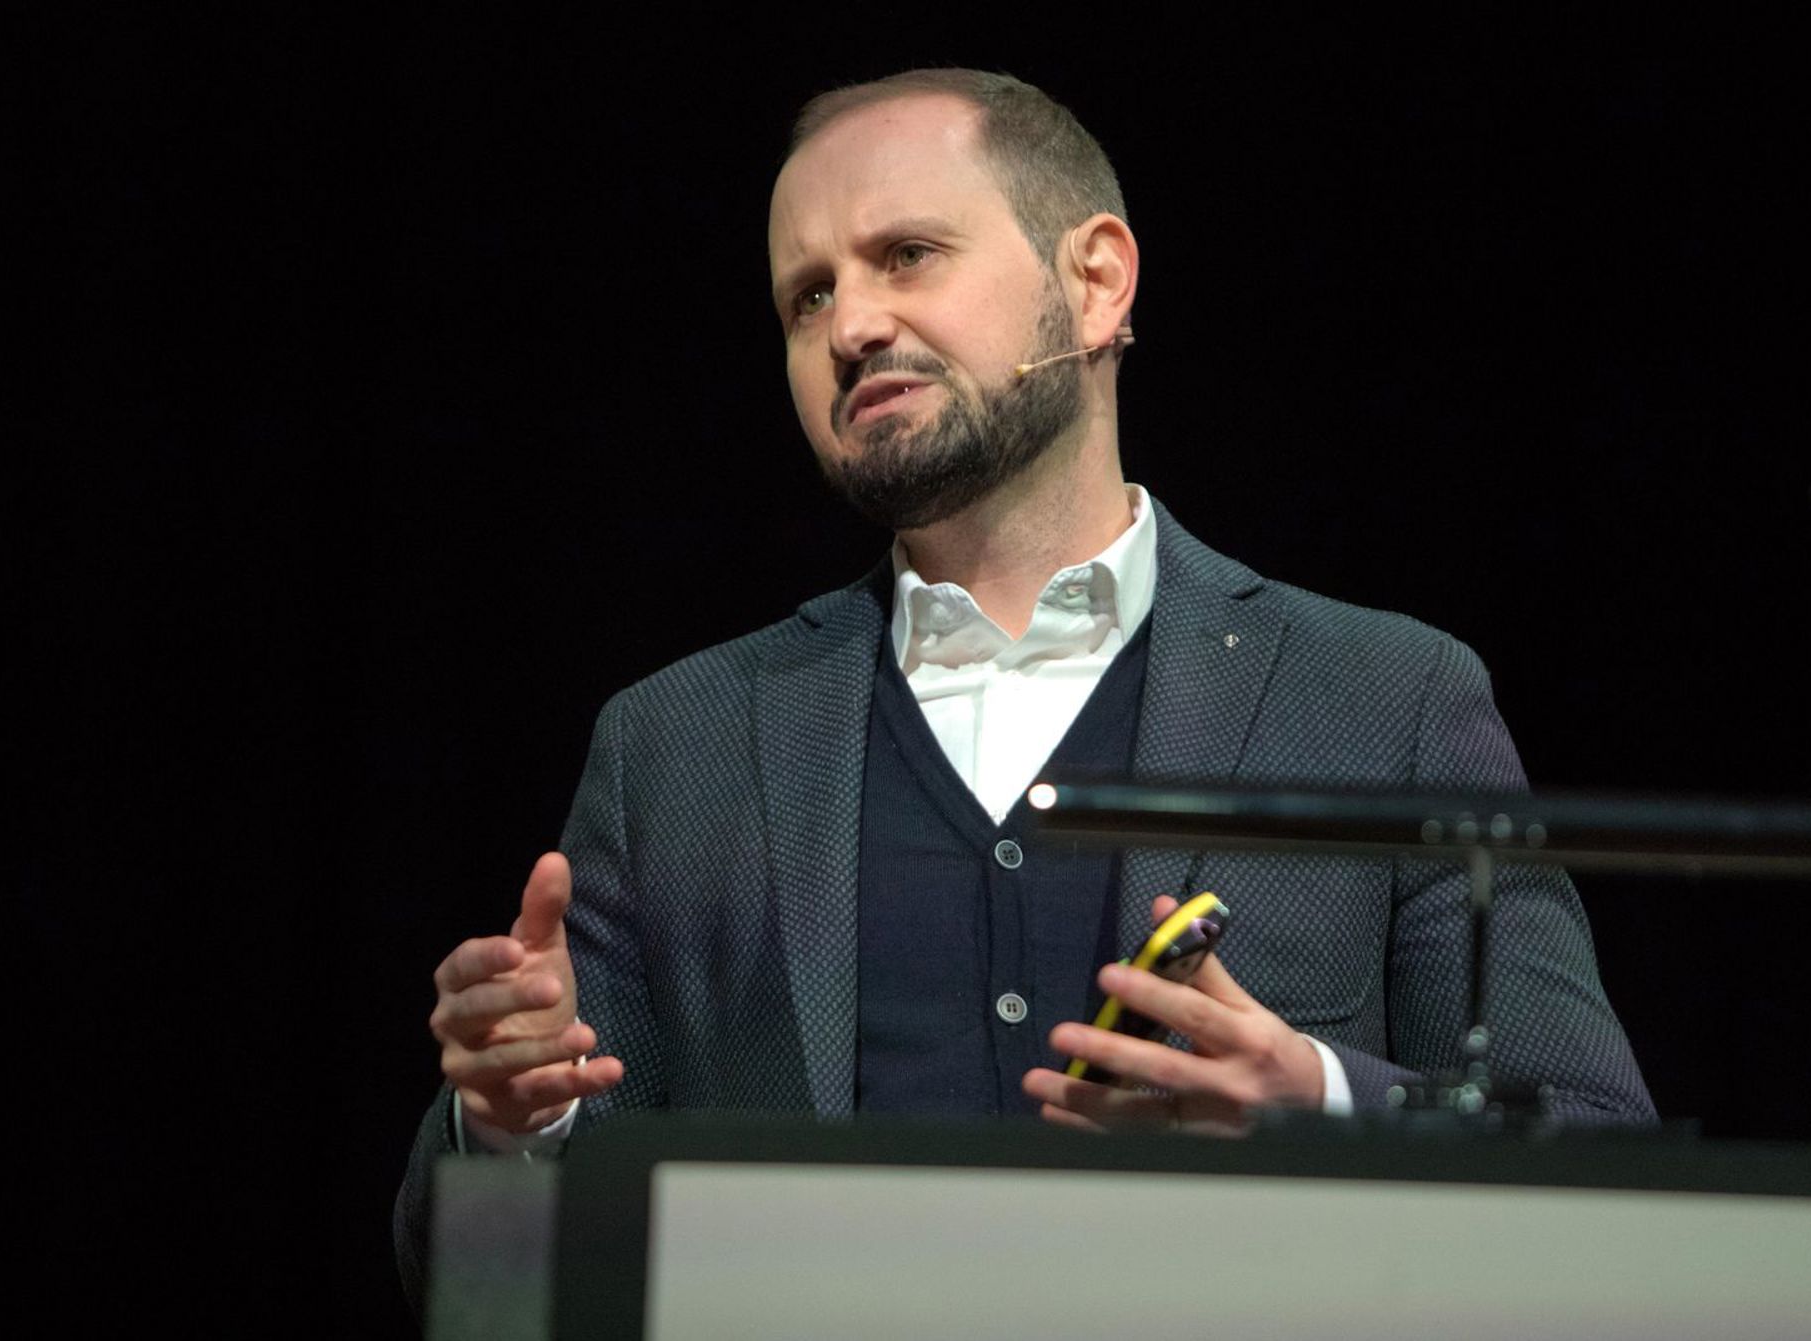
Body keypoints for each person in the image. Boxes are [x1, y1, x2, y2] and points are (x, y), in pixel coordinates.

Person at [397, 68, 1653, 1304]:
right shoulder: (678, 745)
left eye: (907, 256)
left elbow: (1605, 1165)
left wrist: (1320, 1105)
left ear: (1095, 280)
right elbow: (474, 1279)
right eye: (806, 295)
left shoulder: (1383, 698)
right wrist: (511, 1123)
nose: (849, 326)